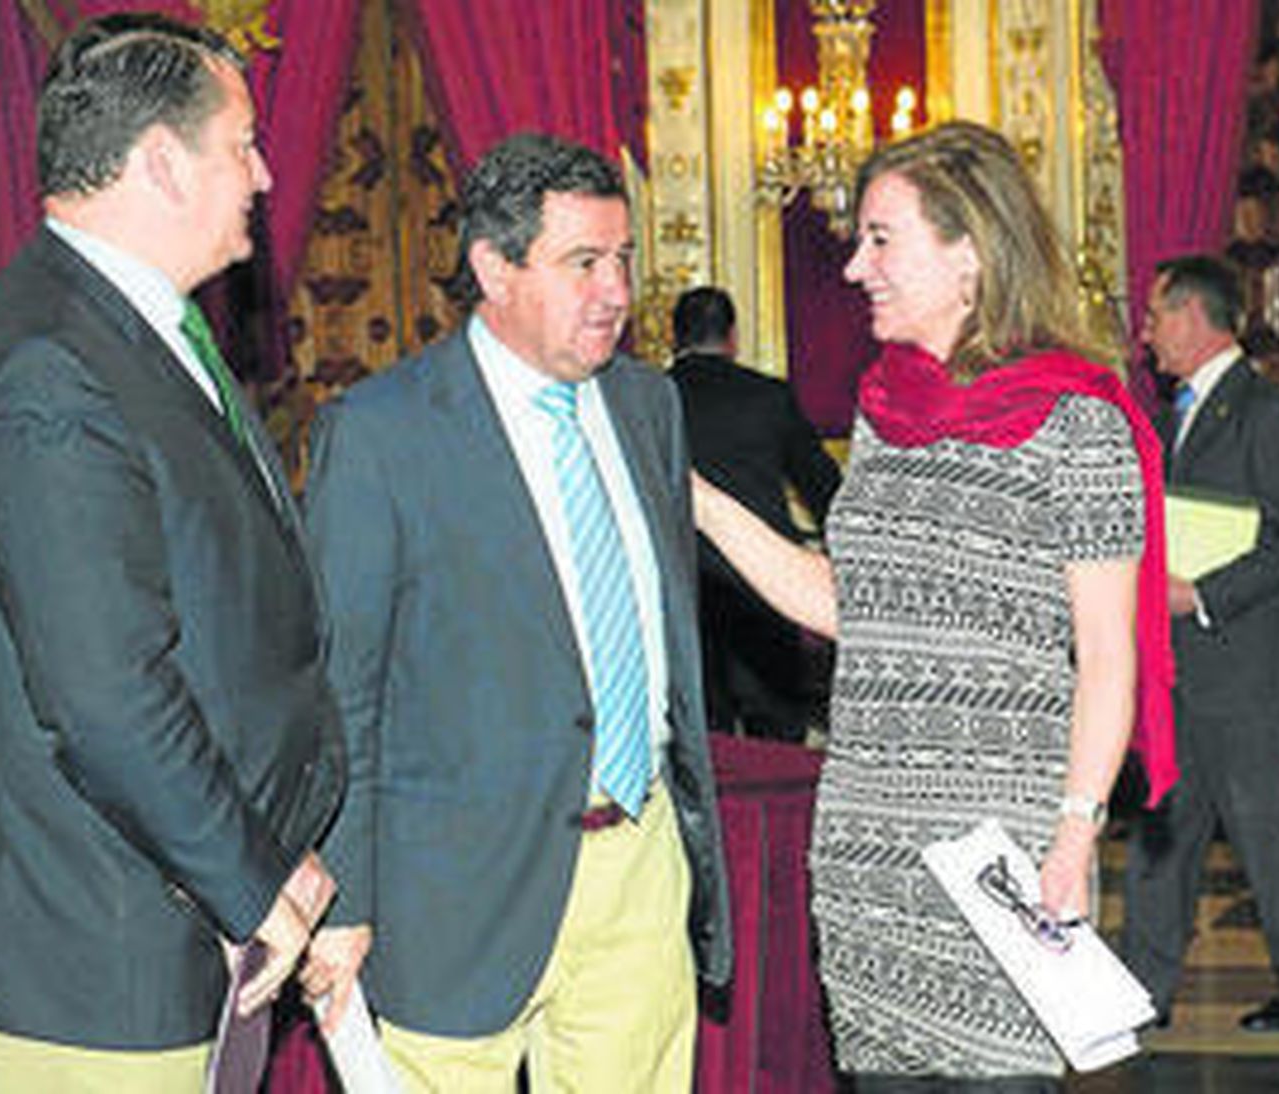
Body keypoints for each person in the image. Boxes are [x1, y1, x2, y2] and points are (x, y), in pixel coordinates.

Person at [692, 120, 1177, 1089]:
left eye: (881, 238)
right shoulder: (884, 411)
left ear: (968, 252)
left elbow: (1106, 655)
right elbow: (842, 604)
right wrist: (690, 494)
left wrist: (1075, 834)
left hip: (1001, 857)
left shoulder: (1078, 422)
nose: (852, 268)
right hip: (868, 851)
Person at [0, 14, 345, 1091]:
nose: (262, 171)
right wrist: (254, 884)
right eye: (242, 143)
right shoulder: (51, 367)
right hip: (92, 954)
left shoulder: (131, 328)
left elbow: (220, 636)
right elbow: (109, 698)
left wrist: (279, 854)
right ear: (160, 160)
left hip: (161, 924)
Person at [302, 133, 732, 1091]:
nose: (616, 292)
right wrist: (343, 898)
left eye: (623, 260)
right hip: (452, 895)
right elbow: (342, 695)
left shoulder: (649, 407)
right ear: (493, 268)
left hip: (638, 865)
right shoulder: (380, 435)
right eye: (583, 263)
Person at [1120, 254, 1279, 1032]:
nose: (1146, 336)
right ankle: (1139, 993)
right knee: (1162, 837)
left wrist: (1202, 595)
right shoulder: (1163, 418)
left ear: (1193, 317)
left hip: (1251, 676)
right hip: (1175, 671)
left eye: (1155, 317)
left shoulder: (1269, 411)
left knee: (1266, 841)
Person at [669, 286, 840, 741]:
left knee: (702, 750)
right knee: (778, 749)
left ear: (674, 337)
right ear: (732, 337)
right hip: (766, 591)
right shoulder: (768, 397)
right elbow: (823, 489)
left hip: (683, 595)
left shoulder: (651, 400)